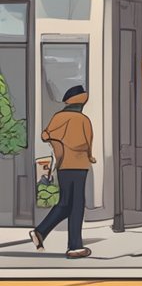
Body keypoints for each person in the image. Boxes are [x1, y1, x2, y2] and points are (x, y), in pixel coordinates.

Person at [30, 85, 95, 259]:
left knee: (66, 203)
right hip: (80, 165)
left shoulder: (58, 117)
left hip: (63, 165)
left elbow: (45, 135)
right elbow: (88, 144)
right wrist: (90, 156)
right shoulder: (83, 120)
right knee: (77, 205)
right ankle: (74, 246)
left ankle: (40, 232)